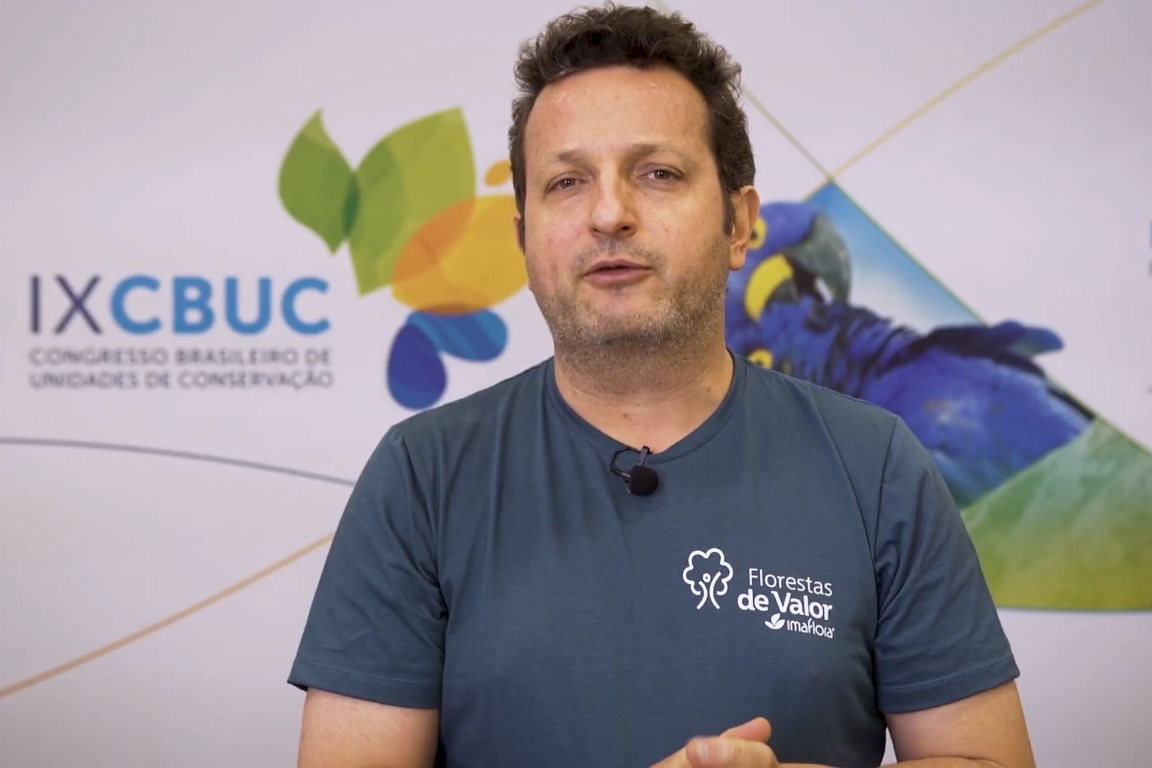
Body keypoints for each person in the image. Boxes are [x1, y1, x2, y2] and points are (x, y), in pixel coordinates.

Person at [287, 4, 1036, 767]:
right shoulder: (423, 475)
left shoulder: (875, 466)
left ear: (739, 225)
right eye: (567, 182)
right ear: (523, 237)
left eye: (658, 174)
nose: (610, 214)